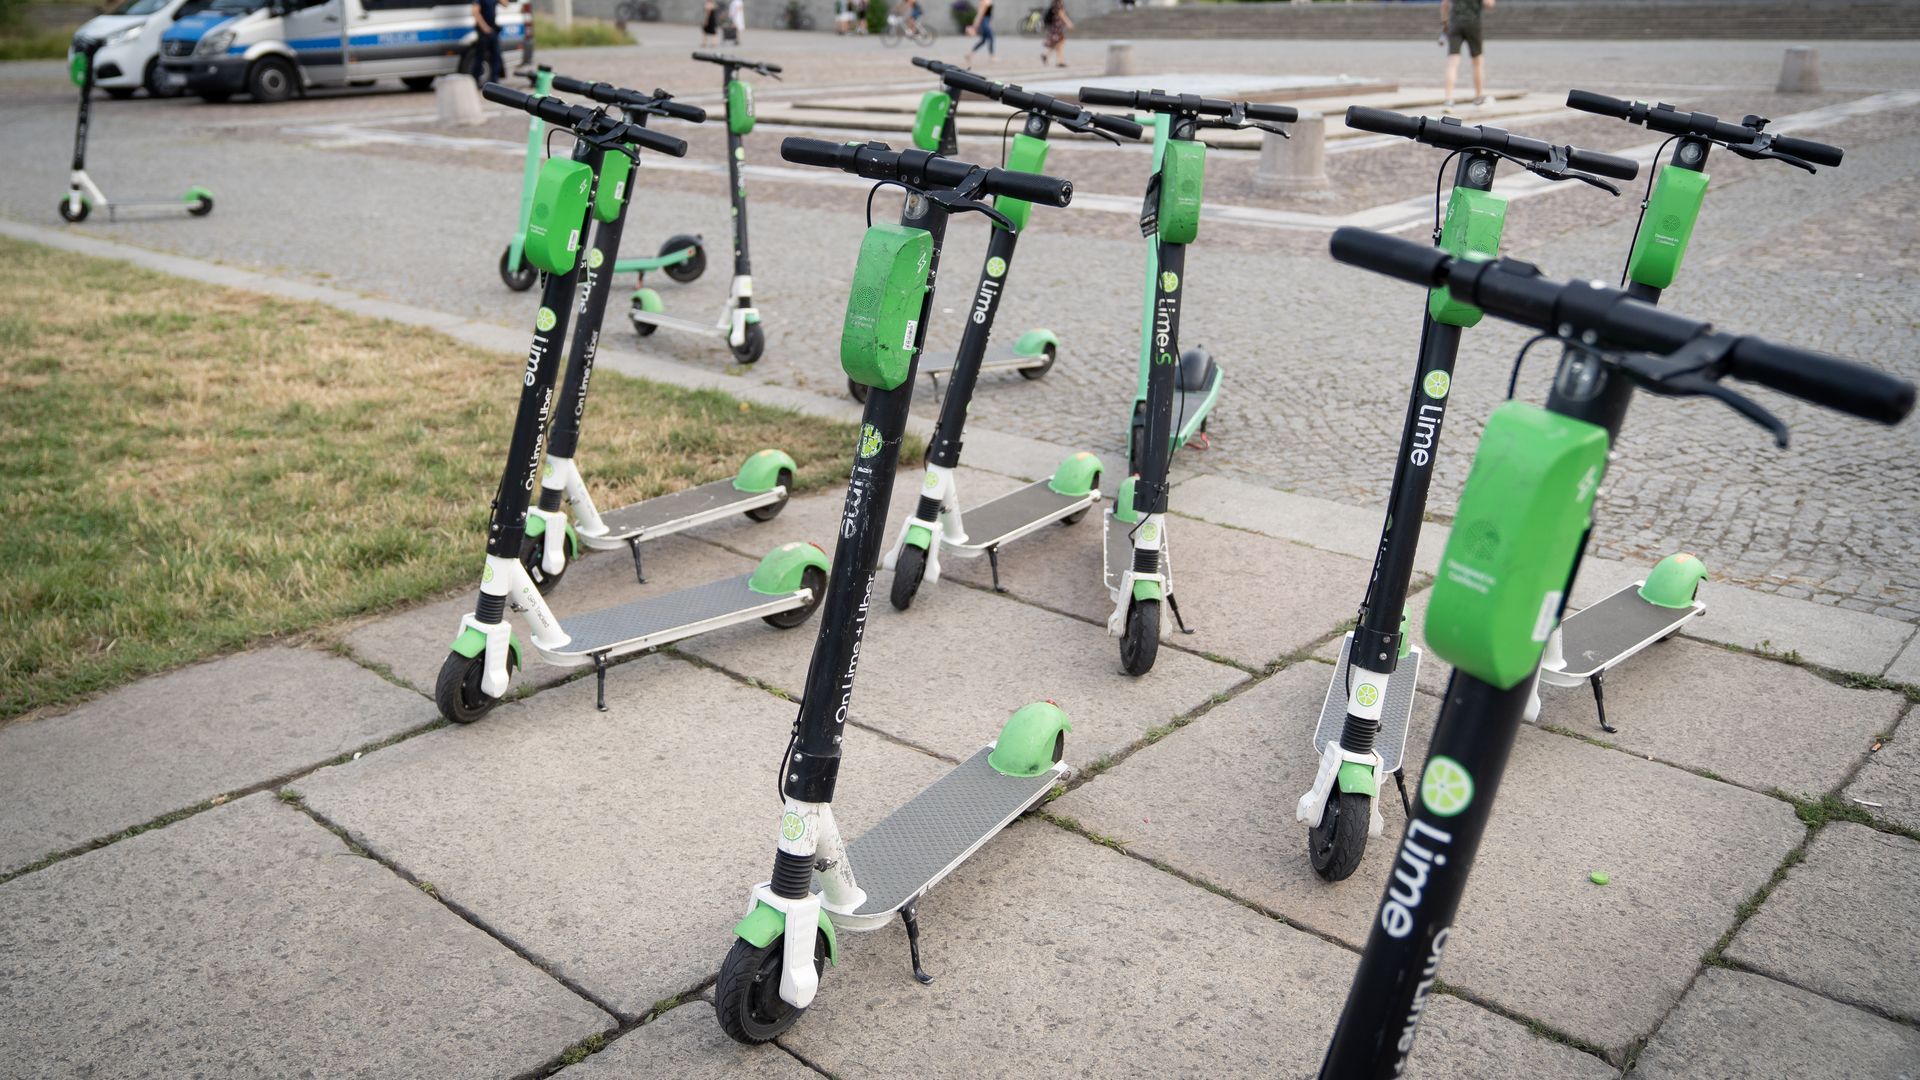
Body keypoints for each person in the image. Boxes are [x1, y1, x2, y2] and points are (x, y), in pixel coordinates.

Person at [1441, 0, 1492, 109]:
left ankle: (1448, 99)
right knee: (1477, 61)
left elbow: (1445, 4)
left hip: (1455, 23)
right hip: (1473, 23)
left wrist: (1444, 21)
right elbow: (1489, 3)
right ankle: (1478, 97)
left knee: (1452, 62)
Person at [470, 0, 505, 85]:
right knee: (480, 57)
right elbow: (475, 12)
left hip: (492, 31)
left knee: (496, 57)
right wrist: (485, 28)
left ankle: (495, 82)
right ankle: (475, 81)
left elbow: (506, 4)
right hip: (483, 32)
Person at [1041, 0, 1069, 65]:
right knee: (1059, 41)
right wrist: (1068, 23)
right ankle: (1059, 61)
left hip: (1055, 25)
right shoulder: (1058, 2)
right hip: (1057, 26)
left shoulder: (1055, 2)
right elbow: (1061, 13)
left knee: (1058, 42)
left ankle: (1048, 56)